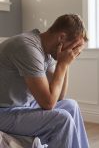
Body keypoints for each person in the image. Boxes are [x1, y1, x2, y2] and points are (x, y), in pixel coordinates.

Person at [0, 14, 89, 148]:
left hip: (24, 106)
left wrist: (65, 64)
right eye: (73, 48)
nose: (73, 53)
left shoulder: (47, 50)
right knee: (61, 120)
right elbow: (48, 103)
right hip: (4, 112)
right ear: (62, 37)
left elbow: (59, 97)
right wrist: (62, 65)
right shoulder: (28, 48)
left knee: (71, 106)